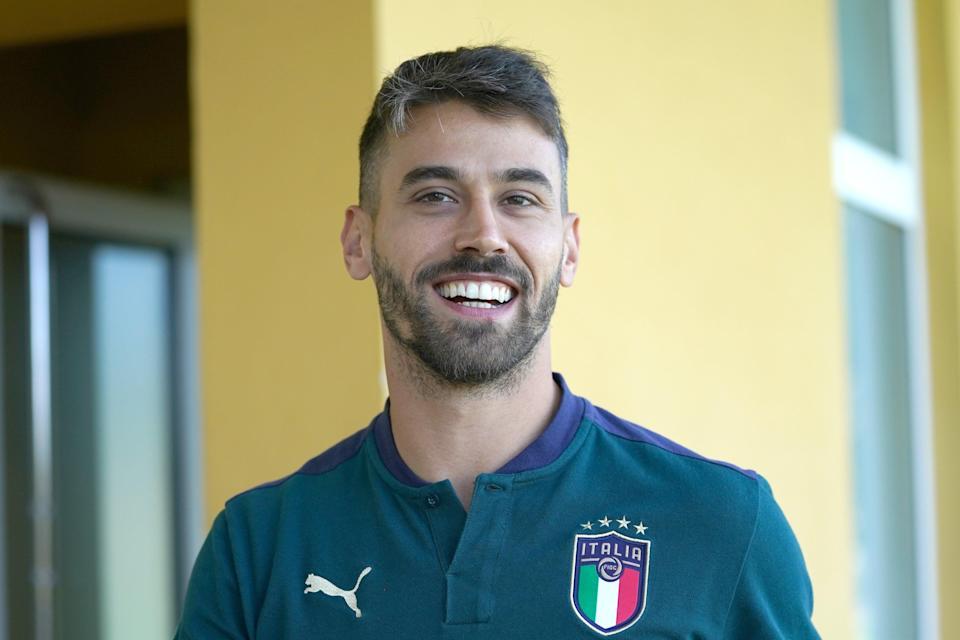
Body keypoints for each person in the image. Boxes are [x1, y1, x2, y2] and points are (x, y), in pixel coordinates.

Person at [176, 45, 819, 639]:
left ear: (568, 248)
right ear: (358, 241)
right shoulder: (256, 549)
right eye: (435, 196)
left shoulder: (723, 524)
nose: (483, 234)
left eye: (520, 198)